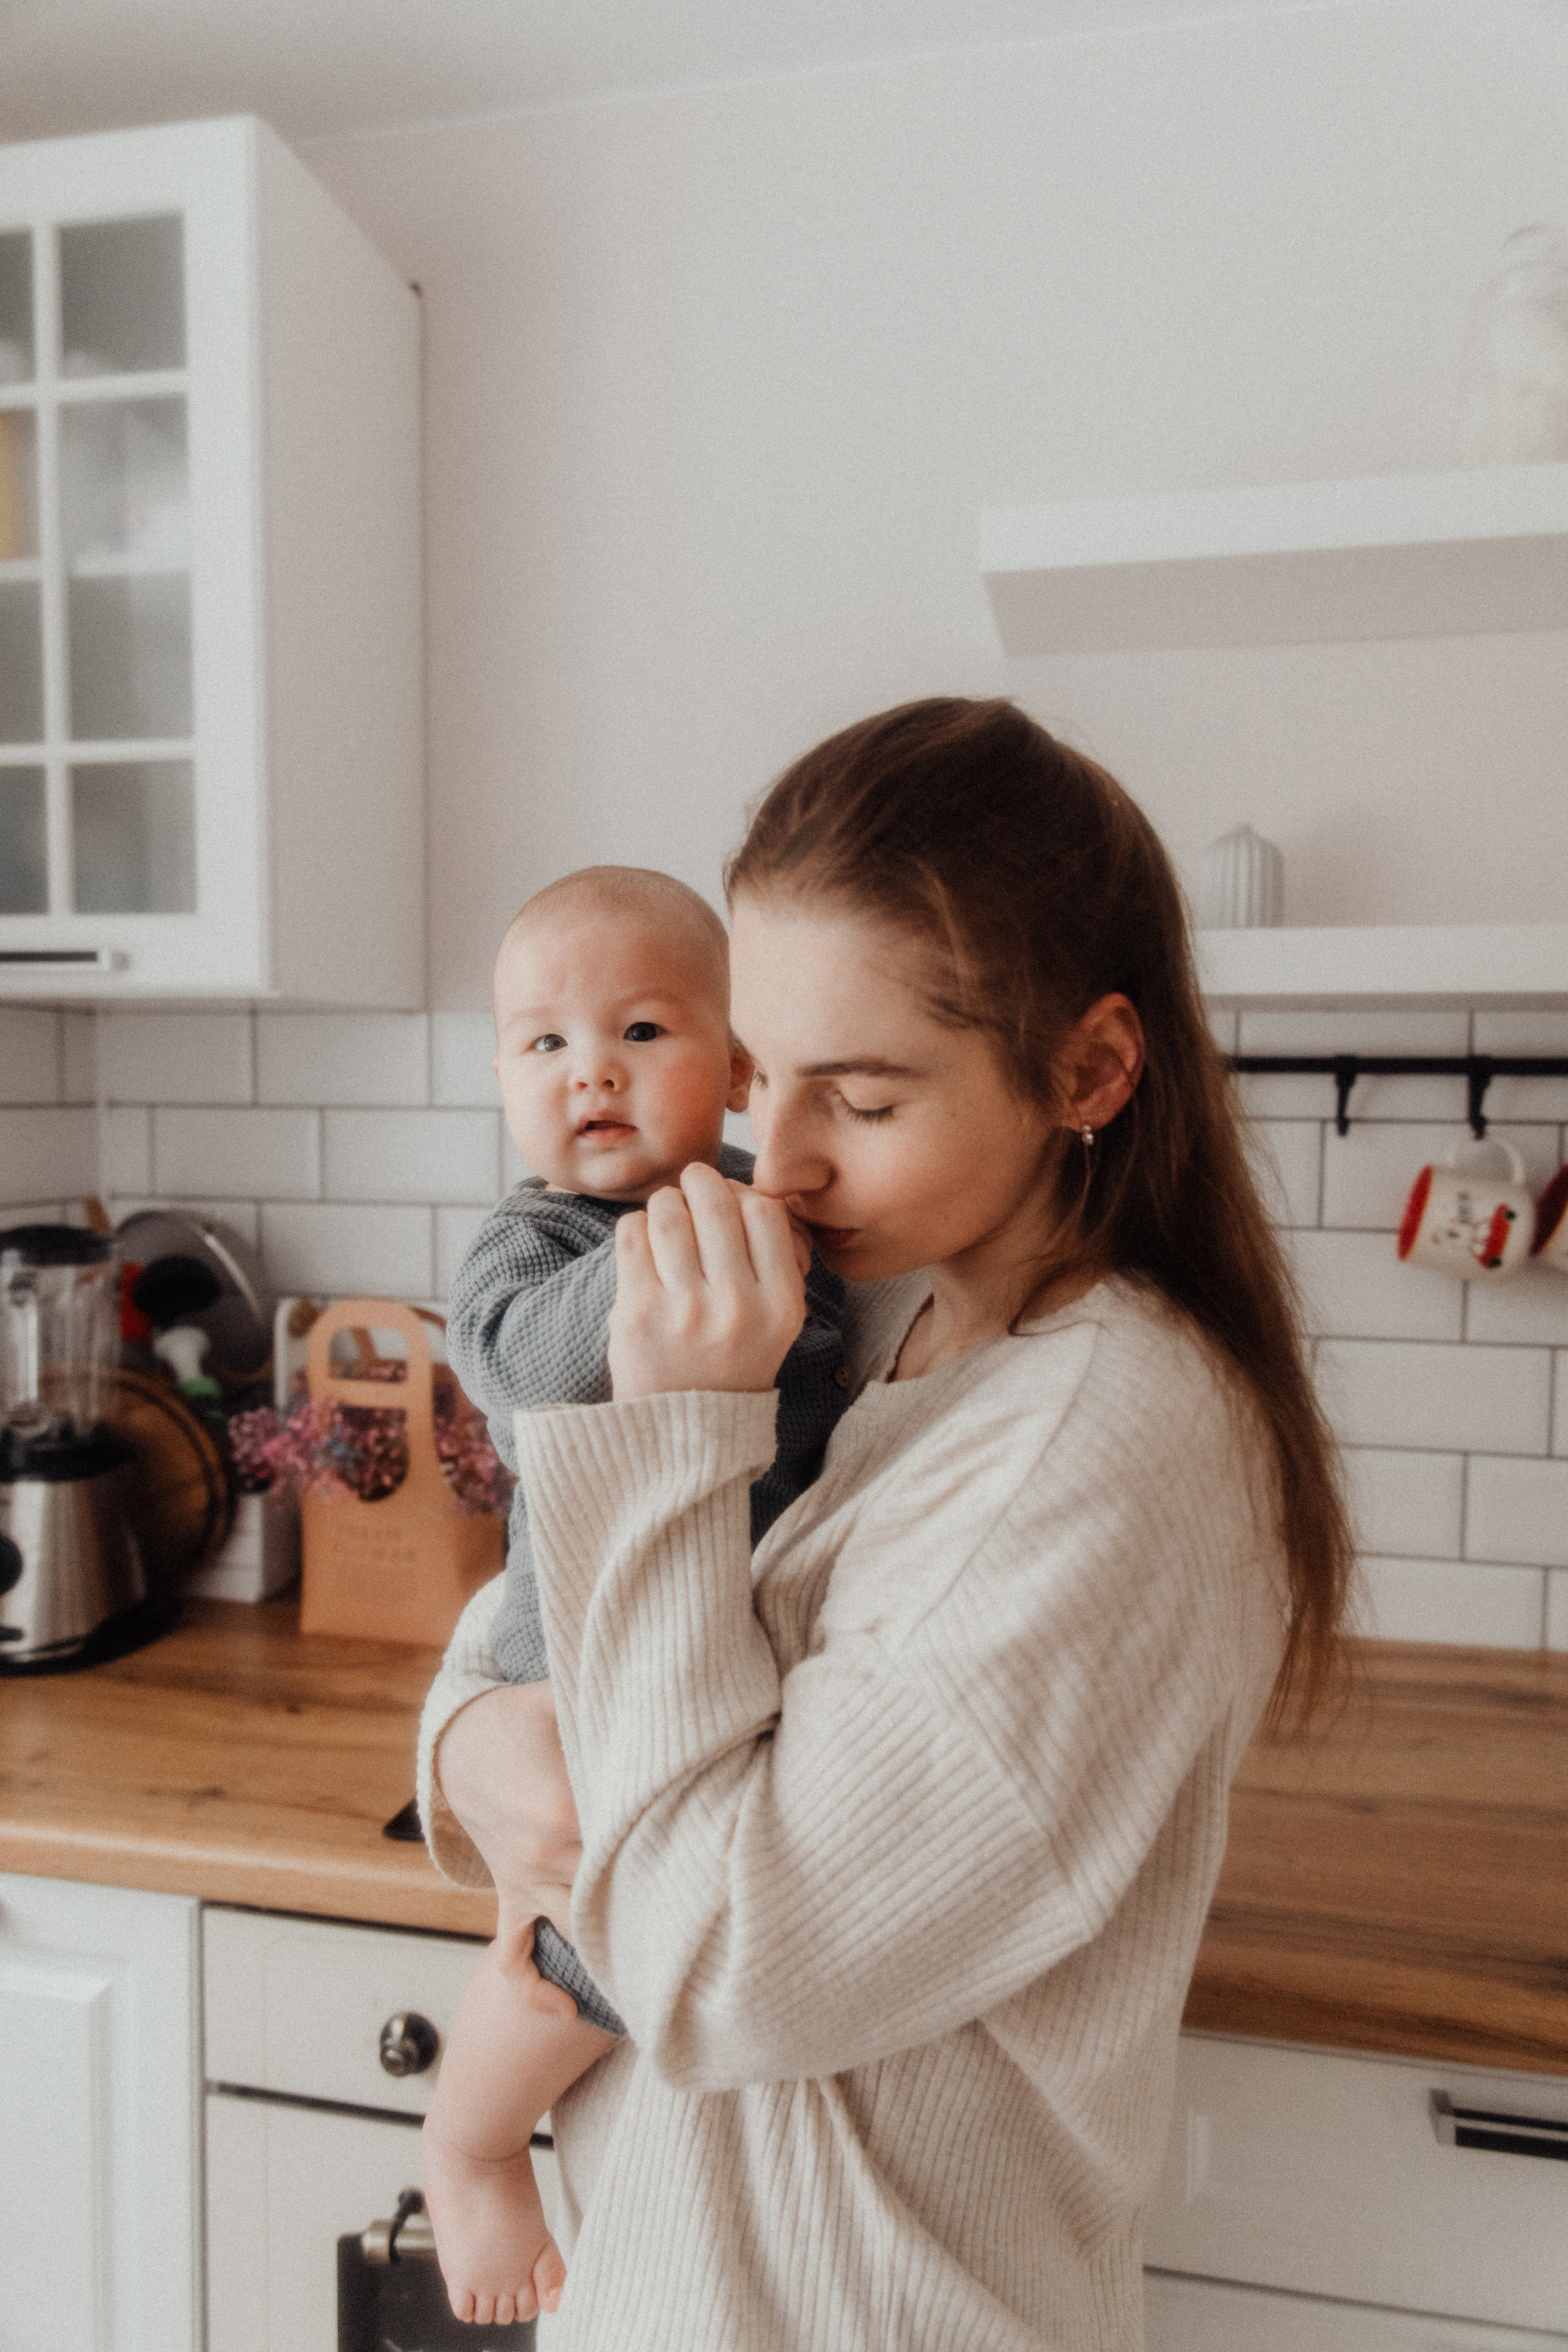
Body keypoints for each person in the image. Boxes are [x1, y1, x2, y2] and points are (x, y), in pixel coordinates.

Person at [417, 699, 1352, 2350]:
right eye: (760, 1071)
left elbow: (706, 1960)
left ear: (1093, 1068)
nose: (775, 1158)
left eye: (857, 1096)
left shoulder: (1097, 1446)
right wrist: (472, 1741)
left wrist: (667, 1431)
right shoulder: (923, 1330)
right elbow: (613, 1664)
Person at [422, 865, 848, 2325]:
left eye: (644, 1031)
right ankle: (470, 2142)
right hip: (587, 1631)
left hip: (725, 1638)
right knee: (585, 1952)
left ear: (738, 1068)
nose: (589, 1069)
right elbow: (517, 1368)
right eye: (542, 1045)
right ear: (500, 1078)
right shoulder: (538, 1240)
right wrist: (663, 1266)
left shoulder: (767, 1208)